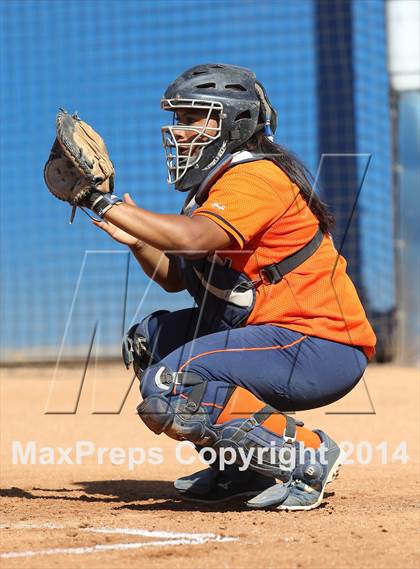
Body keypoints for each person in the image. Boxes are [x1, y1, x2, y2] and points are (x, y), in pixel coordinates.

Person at [91, 63, 376, 511]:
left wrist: (98, 201)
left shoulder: (256, 177)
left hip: (319, 344)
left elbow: (192, 238)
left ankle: (306, 454)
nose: (178, 132)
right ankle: (242, 468)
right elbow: (174, 278)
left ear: (233, 123)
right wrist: (138, 242)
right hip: (277, 336)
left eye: (191, 119)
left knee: (173, 383)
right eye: (178, 120)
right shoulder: (211, 190)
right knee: (149, 343)